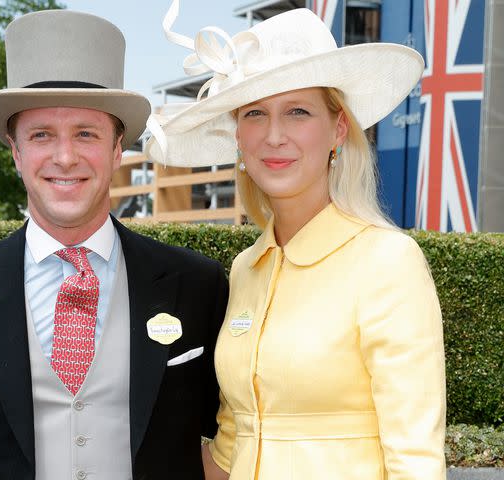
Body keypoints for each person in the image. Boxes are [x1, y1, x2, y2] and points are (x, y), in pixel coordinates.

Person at [0, 9, 228, 480]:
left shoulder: (198, 284)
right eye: (42, 135)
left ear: (117, 149)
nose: (64, 157)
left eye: (86, 134)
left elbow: (232, 422)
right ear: (16, 151)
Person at [146, 3, 446, 479]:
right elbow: (234, 438)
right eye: (255, 114)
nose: (274, 135)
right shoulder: (248, 267)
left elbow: (416, 459)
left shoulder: (387, 261)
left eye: (298, 112)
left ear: (338, 129)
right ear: (238, 137)